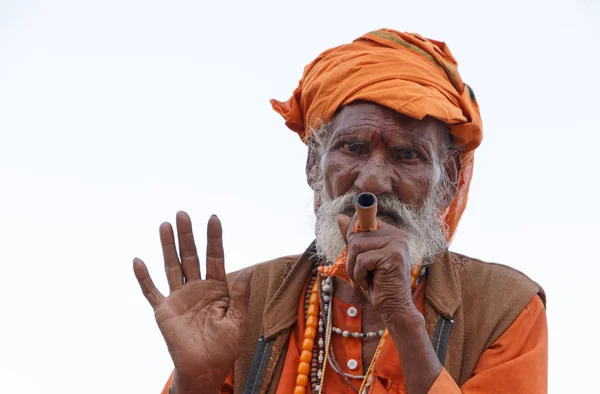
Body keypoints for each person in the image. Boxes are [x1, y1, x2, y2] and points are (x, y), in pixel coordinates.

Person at [133, 28, 547, 394]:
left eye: (407, 154)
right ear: (314, 164)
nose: (373, 181)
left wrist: (402, 319)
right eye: (353, 147)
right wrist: (194, 385)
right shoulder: (238, 308)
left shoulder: (506, 308)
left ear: (449, 181)